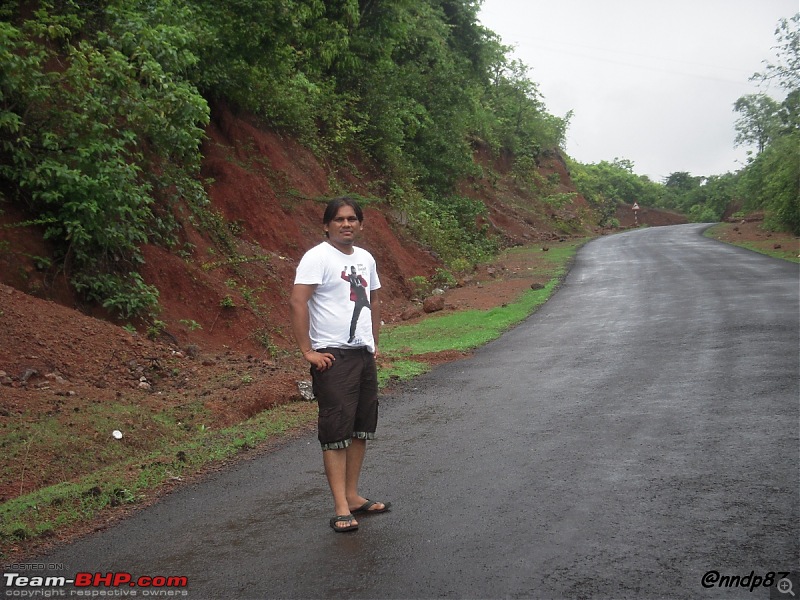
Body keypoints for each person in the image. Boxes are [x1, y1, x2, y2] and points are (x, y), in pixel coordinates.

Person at [289, 196, 391, 532]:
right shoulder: (316, 257)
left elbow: (374, 298)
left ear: (360, 224)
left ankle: (353, 496)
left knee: (361, 427)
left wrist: (373, 340)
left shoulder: (365, 258)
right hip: (332, 356)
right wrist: (307, 350)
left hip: (362, 354)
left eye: (352, 219)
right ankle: (340, 507)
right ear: (326, 225)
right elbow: (298, 301)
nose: (346, 224)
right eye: (339, 219)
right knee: (335, 431)